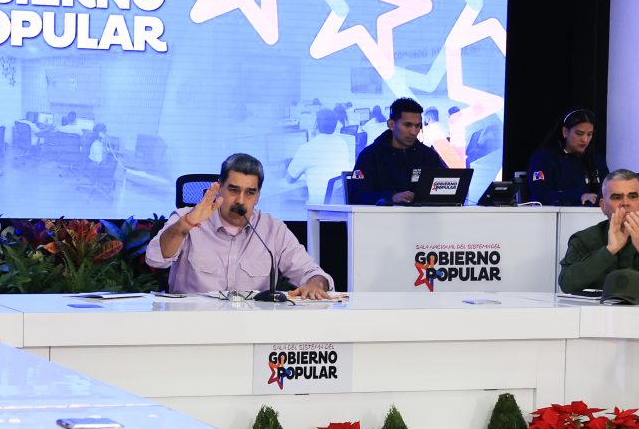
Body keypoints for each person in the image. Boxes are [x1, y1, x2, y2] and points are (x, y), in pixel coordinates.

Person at [146, 153, 334, 299]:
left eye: (250, 192)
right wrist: (185, 225)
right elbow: (155, 259)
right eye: (234, 190)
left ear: (258, 196)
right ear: (219, 187)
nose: (241, 201)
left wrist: (315, 285)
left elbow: (313, 273)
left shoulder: (272, 229)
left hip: (252, 327)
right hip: (192, 323)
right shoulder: (187, 218)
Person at [558, 169, 639, 297]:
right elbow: (567, 284)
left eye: (632, 196)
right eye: (616, 197)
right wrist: (609, 251)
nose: (625, 203)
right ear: (603, 205)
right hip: (599, 310)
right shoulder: (584, 240)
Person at [353, 97, 447, 204]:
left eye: (418, 126)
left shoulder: (429, 156)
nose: (414, 131)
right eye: (408, 125)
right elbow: (355, 194)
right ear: (391, 125)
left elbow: (447, 189)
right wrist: (391, 197)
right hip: (383, 214)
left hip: (423, 214)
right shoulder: (368, 156)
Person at [528, 108, 609, 206]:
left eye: (589, 134)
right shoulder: (544, 159)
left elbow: (608, 191)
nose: (585, 139)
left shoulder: (596, 160)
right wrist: (579, 196)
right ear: (565, 132)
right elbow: (540, 194)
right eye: (579, 133)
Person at [286, 108, 353, 203]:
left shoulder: (307, 148)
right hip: (340, 204)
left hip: (319, 206)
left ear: (316, 124)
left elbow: (289, 179)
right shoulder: (342, 143)